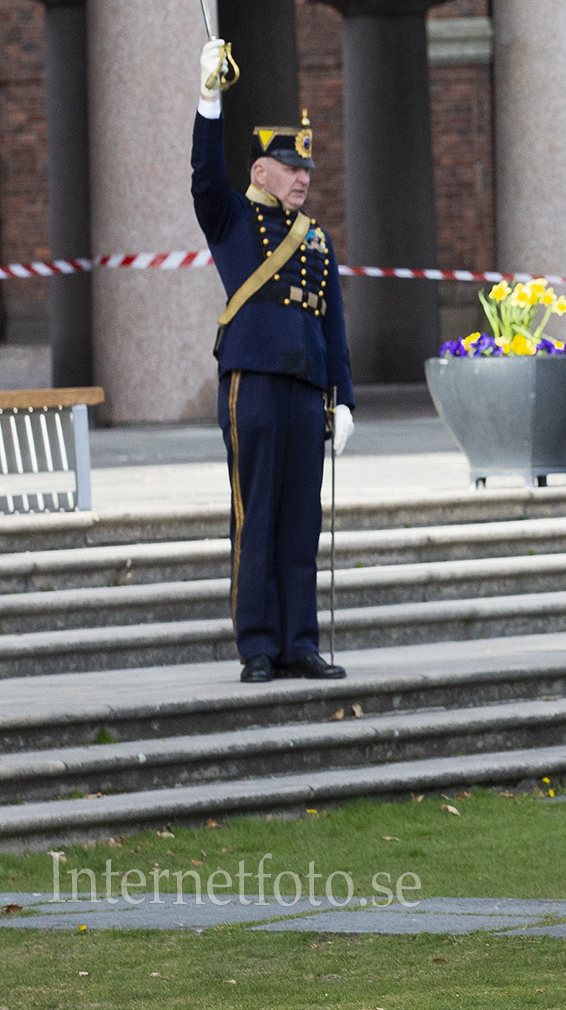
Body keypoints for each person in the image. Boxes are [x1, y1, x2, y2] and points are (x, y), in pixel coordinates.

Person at [190, 38, 351, 685]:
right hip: (253, 380)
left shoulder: (316, 239)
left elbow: (333, 323)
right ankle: (257, 643)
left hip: (306, 386)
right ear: (260, 171)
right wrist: (209, 96)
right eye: (289, 167)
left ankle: (299, 642)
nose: (302, 177)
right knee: (255, 514)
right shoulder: (231, 217)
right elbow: (205, 175)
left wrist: (344, 399)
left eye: (305, 169)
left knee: (300, 518)